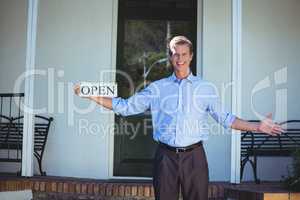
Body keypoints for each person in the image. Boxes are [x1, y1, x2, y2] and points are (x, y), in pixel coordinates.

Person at [74, 36, 283, 200]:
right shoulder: (157, 88)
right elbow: (125, 107)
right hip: (165, 158)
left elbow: (227, 119)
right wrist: (90, 93)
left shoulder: (205, 88)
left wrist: (258, 126)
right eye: (176, 54)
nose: (180, 59)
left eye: (184, 54)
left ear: (191, 56)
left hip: (195, 158)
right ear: (170, 57)